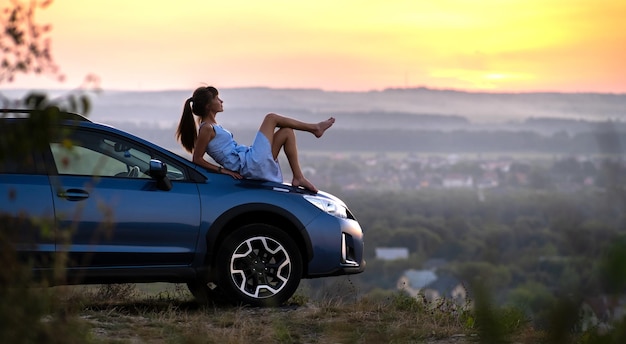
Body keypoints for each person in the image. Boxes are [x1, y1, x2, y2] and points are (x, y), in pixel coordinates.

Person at [176, 86, 334, 193]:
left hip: (250, 160)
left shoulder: (213, 126)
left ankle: (298, 177)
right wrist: (223, 170)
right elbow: (197, 159)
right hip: (248, 164)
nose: (221, 101)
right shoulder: (206, 129)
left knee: (287, 132)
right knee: (271, 118)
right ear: (208, 106)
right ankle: (315, 128)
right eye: (217, 98)